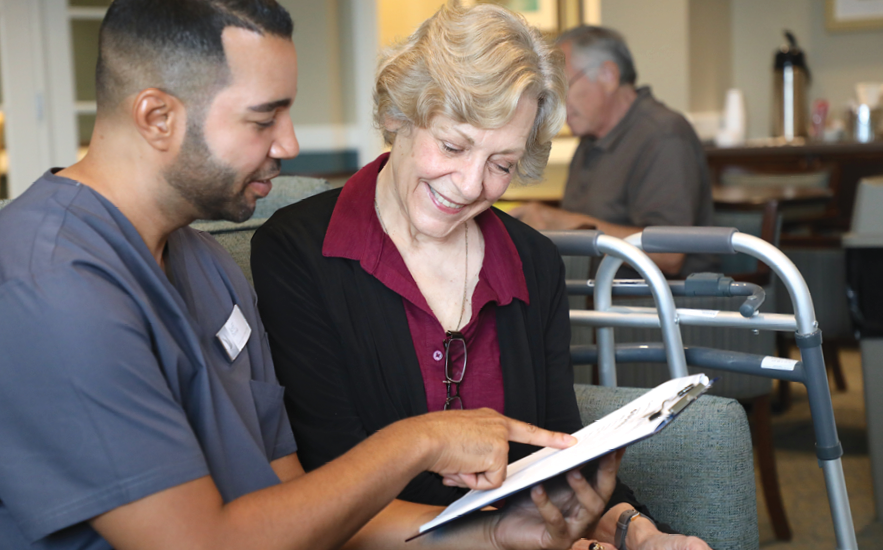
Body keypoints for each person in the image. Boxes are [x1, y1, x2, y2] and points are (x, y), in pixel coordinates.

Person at [0, 1, 620, 549]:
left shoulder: (209, 269)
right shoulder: (52, 284)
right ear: (158, 117)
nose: (291, 142)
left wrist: (491, 533)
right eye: (263, 118)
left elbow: (307, 513)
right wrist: (423, 441)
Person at [251, 5, 709, 550]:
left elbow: (558, 455)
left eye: (502, 164)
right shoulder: (299, 251)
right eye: (453, 145)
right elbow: (329, 487)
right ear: (400, 115)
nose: (470, 185)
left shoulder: (532, 262)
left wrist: (638, 532)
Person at [510, 26, 715, 278]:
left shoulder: (663, 136)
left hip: (655, 305)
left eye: (563, 87)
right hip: (595, 297)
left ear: (608, 75)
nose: (556, 104)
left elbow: (669, 255)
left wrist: (566, 223)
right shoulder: (589, 140)